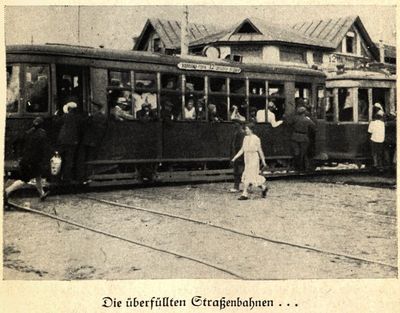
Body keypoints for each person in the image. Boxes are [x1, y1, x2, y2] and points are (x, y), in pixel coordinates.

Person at [4, 117, 50, 203]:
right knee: (24, 180)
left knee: (38, 177)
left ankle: (42, 194)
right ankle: (7, 191)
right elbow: (43, 149)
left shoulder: (28, 132)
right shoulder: (42, 134)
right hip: (34, 161)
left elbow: (19, 143)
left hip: (26, 159)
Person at [231, 123, 268, 200]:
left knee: (248, 175)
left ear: (251, 129)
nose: (245, 130)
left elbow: (260, 151)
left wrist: (264, 162)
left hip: (254, 158)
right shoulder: (245, 138)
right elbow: (242, 150)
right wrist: (235, 158)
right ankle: (264, 188)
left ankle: (245, 194)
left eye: (247, 129)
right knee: (252, 177)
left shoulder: (256, 139)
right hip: (247, 158)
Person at [57, 101, 84, 182]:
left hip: (62, 141)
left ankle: (57, 177)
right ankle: (67, 177)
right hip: (73, 141)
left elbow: (56, 121)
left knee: (60, 158)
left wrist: (56, 114)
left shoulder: (65, 116)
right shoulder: (78, 117)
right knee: (70, 159)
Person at [287, 106, 316, 171]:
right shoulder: (307, 120)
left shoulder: (295, 118)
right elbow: (313, 127)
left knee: (296, 152)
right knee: (303, 153)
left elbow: (288, 123)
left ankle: (296, 167)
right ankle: (303, 168)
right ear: (304, 112)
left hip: (295, 137)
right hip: (304, 137)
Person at [230, 122, 245, 193]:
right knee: (238, 171)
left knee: (239, 171)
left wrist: (237, 156)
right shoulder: (237, 132)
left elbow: (240, 146)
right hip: (237, 155)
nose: (234, 125)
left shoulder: (240, 133)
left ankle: (238, 187)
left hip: (239, 155)